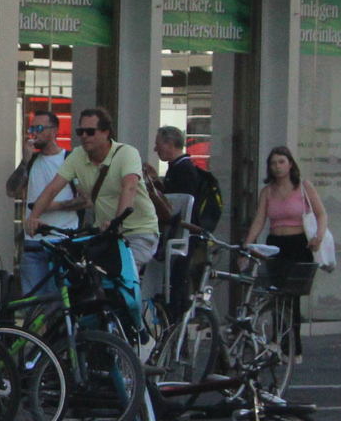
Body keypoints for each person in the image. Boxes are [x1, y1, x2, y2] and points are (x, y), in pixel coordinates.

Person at [26, 106, 159, 303]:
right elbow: (52, 188)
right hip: (105, 235)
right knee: (87, 282)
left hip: (138, 231)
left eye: (90, 131)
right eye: (80, 132)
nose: (84, 136)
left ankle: (135, 331)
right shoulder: (77, 156)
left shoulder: (126, 153)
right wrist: (34, 216)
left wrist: (116, 224)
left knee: (120, 280)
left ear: (106, 133)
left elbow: (128, 189)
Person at [244, 144, 328, 360]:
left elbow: (320, 213)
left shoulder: (303, 187)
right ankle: (278, 342)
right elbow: (260, 220)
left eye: (281, 162)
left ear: (290, 164)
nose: (277, 167)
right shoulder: (268, 191)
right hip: (275, 245)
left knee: (292, 298)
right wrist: (247, 244)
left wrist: (318, 236)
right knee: (276, 296)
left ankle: (293, 348)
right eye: (273, 163)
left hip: (299, 244)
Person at [4, 109, 76, 297]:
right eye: (31, 128)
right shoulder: (33, 160)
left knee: (59, 300)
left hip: (60, 240)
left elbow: (86, 200)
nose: (34, 134)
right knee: (33, 301)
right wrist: (24, 161)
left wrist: (54, 206)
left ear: (54, 131)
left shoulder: (69, 160)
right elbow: (11, 191)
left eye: (39, 128)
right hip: (33, 242)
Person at [152, 127, 220, 319]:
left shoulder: (183, 170)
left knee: (177, 284)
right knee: (175, 284)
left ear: (169, 144)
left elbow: (176, 206)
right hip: (181, 236)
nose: (155, 149)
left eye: (158, 143)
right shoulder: (179, 167)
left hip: (182, 236)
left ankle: (177, 332)